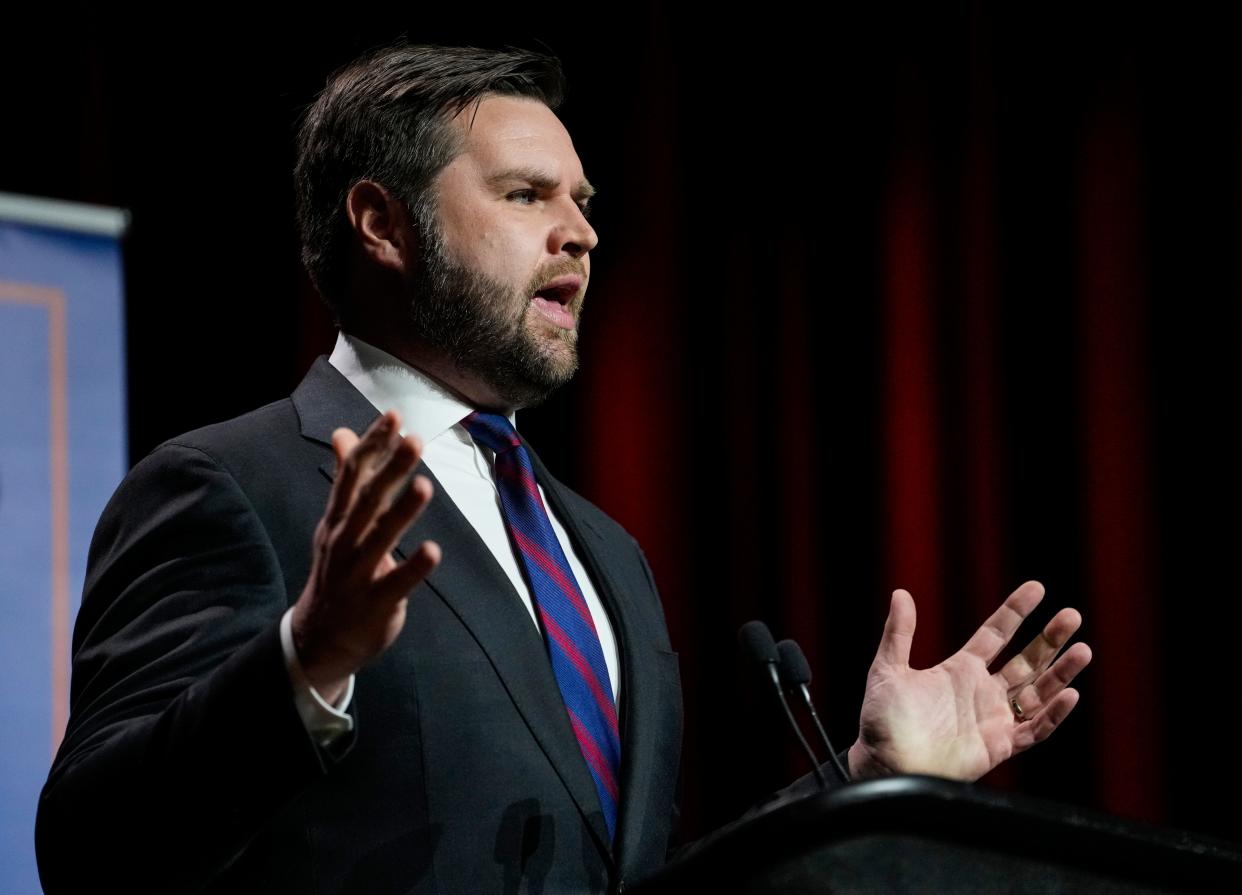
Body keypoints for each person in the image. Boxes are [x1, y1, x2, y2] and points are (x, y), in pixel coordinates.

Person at [35, 43, 1092, 894]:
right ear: (382, 224)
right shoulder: (229, 484)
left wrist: (865, 790)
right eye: (528, 194)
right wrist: (303, 666)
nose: (581, 233)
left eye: (582, 199)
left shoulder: (604, 553)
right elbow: (90, 850)